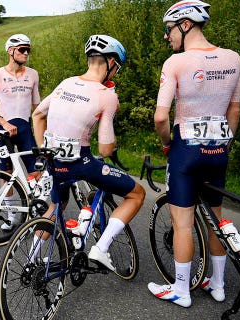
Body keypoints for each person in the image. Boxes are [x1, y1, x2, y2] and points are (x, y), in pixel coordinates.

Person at [148, 0, 240, 308]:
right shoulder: (234, 58)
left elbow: (161, 117)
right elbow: (234, 110)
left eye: (169, 29)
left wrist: (167, 145)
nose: (167, 36)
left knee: (184, 223)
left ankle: (181, 290)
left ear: (185, 24)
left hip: (186, 150)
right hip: (219, 147)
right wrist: (223, 146)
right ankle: (218, 285)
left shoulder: (175, 63)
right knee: (216, 218)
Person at [32, 34, 146, 274]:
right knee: (137, 194)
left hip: (54, 161)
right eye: (118, 68)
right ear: (111, 62)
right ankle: (101, 248)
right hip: (81, 163)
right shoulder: (107, 95)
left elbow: (38, 115)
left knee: (56, 206)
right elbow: (105, 149)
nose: (117, 73)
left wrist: (45, 148)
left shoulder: (66, 83)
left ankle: (31, 257)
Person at [0, 34, 41, 230]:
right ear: (10, 51)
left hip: (24, 128)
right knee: (6, 174)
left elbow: (38, 108)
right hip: (3, 131)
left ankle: (36, 215)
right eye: (22, 49)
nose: (26, 53)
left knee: (36, 173)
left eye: (28, 50)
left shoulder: (33, 74)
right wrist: (3, 123)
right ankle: (13, 215)